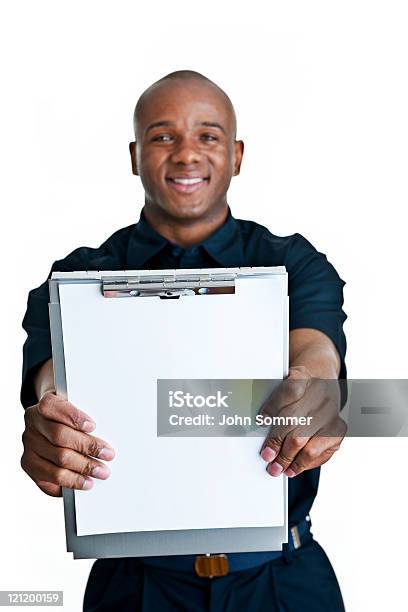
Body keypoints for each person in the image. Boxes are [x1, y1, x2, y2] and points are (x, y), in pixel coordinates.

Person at [20, 70, 348, 611]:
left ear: (237, 155)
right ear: (134, 154)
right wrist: (51, 412)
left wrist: (314, 388)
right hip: (136, 587)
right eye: (163, 135)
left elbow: (315, 352)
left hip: (281, 583)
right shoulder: (77, 279)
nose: (186, 154)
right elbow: (52, 377)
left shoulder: (293, 265)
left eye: (208, 135)